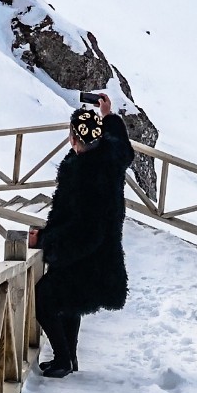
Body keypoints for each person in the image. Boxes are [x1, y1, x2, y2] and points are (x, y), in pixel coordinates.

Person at [27, 91, 132, 378]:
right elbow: (124, 147)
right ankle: (69, 357)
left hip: (88, 256)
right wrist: (108, 116)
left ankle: (62, 358)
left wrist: (48, 243)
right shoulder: (111, 159)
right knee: (67, 301)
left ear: (74, 137)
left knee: (45, 298)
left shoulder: (83, 173)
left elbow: (83, 227)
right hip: (103, 256)